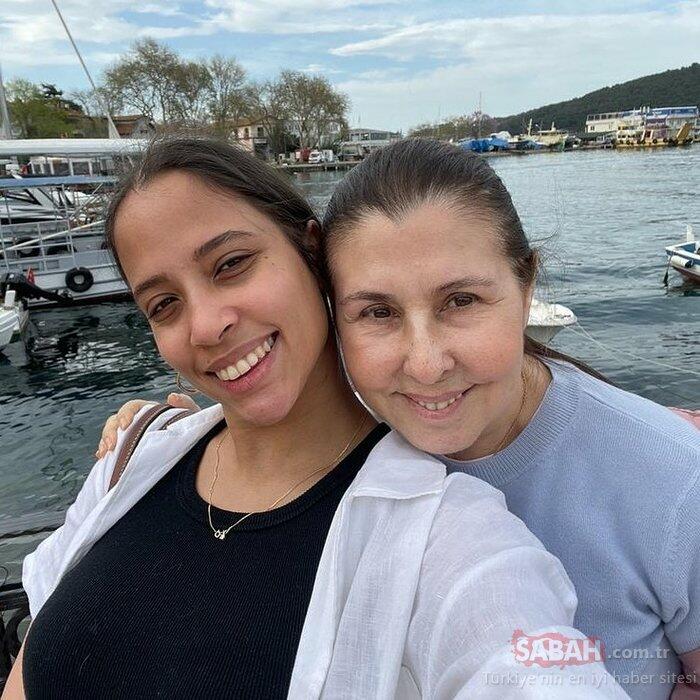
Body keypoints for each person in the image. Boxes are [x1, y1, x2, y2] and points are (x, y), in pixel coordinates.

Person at [2, 138, 623, 700]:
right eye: (164, 304)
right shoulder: (135, 455)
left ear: (311, 251)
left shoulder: (444, 537)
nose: (206, 325)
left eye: (231, 264)